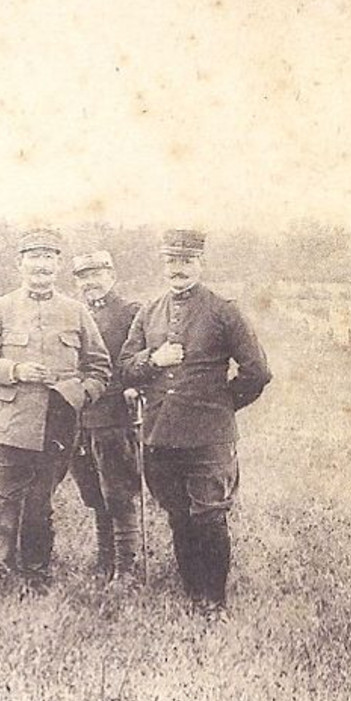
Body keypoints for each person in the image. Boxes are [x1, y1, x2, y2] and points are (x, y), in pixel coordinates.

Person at [118, 228, 271, 619]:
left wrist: (222, 405)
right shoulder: (149, 311)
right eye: (172, 261)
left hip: (208, 437)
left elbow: (256, 371)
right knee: (178, 513)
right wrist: (154, 360)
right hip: (160, 435)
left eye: (186, 261)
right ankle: (192, 591)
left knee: (209, 515)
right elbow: (125, 368)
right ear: (163, 264)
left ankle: (213, 601)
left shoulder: (223, 311)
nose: (178, 268)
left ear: (200, 263)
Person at [0, 227, 111, 588]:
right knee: (3, 502)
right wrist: (15, 370)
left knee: (40, 504)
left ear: (58, 265)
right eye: (34, 257)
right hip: (7, 424)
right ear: (20, 264)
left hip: (56, 426)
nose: (41, 265)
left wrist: (80, 395)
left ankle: (36, 574)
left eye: (48, 258)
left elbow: (100, 368)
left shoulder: (75, 312)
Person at [66, 250, 143, 581]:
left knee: (118, 493)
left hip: (115, 416)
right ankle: (104, 561)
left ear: (112, 275)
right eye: (83, 277)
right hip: (79, 416)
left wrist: (135, 387)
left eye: (96, 274)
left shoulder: (131, 313)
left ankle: (126, 568)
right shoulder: (74, 313)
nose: (90, 282)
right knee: (94, 492)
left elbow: (141, 360)